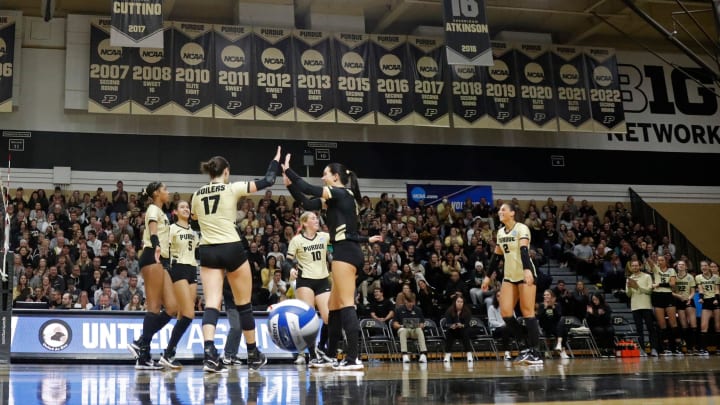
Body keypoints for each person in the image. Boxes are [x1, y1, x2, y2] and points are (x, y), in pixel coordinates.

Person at [282, 155, 381, 371]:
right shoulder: (339, 197)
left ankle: (353, 358)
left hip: (345, 252)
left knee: (346, 304)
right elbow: (308, 202)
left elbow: (309, 187)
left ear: (335, 177)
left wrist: (288, 170)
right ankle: (328, 355)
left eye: (325, 173)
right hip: (347, 250)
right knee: (334, 307)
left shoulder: (341, 193)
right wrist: (290, 187)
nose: (322, 176)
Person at [191, 150, 280, 373]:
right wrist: (275, 160)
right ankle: (253, 353)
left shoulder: (197, 194)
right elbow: (268, 180)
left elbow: (194, 220)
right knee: (244, 304)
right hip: (231, 247)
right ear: (226, 172)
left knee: (212, 302)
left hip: (208, 249)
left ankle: (210, 354)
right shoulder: (232, 187)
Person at [483, 203, 542, 365]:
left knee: (527, 312)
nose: (500, 212)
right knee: (506, 313)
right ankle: (524, 346)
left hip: (524, 275)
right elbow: (496, 257)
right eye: (499, 210)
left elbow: (524, 251)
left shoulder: (522, 228)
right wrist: (488, 276)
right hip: (509, 277)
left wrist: (528, 270)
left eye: (503, 209)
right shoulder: (501, 233)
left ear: (512, 213)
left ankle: (536, 352)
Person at [126, 182, 177, 370]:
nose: (168, 192)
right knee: (154, 307)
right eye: (165, 189)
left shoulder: (162, 212)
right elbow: (153, 231)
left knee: (172, 307)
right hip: (151, 255)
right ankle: (143, 354)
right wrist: (156, 245)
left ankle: (141, 343)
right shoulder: (153, 209)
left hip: (161, 259)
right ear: (156, 193)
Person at [284, 211, 334, 367]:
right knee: (310, 319)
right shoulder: (296, 240)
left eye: (316, 217)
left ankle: (321, 348)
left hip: (322, 280)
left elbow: (335, 249)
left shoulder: (324, 237)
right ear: (304, 223)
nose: (316, 220)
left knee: (329, 318)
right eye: (313, 218)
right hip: (305, 281)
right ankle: (312, 356)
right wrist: (290, 270)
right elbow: (287, 262)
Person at [159, 201, 199, 370]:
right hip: (178, 267)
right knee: (185, 313)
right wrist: (166, 268)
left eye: (188, 207)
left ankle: (169, 352)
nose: (186, 209)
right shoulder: (172, 229)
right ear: (175, 212)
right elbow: (162, 250)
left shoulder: (194, 233)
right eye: (182, 207)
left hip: (192, 269)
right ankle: (167, 352)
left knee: (186, 315)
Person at [650, 255, 680, 355]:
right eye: (658, 260)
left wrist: (658, 284)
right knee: (662, 323)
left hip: (668, 295)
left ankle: (676, 347)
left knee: (673, 322)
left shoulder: (671, 270)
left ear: (666, 261)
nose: (660, 261)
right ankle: (666, 347)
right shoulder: (655, 269)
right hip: (657, 296)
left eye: (662, 260)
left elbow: (672, 284)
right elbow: (649, 260)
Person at [627, 259, 657, 356]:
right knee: (639, 329)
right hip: (635, 306)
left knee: (650, 328)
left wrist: (637, 287)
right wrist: (630, 287)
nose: (635, 267)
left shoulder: (647, 276)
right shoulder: (629, 278)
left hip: (646, 305)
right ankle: (642, 350)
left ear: (640, 266)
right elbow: (628, 294)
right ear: (631, 267)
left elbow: (649, 291)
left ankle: (654, 349)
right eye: (633, 266)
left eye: (636, 265)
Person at [391, 297, 428, 363]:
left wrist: (418, 325)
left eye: (411, 302)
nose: (410, 304)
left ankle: (423, 354)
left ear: (414, 302)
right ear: (405, 302)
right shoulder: (399, 310)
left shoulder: (418, 309)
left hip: (414, 330)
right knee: (403, 330)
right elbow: (395, 324)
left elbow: (422, 324)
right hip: (404, 329)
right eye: (408, 302)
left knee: (419, 330)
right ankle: (404, 354)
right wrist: (402, 326)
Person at [672, 259, 697, 354]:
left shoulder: (690, 277)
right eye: (679, 264)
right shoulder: (674, 277)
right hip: (679, 301)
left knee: (693, 324)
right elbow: (672, 292)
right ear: (677, 266)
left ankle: (694, 346)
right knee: (684, 326)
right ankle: (687, 346)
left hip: (689, 300)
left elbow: (693, 291)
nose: (681, 266)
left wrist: (689, 298)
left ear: (686, 267)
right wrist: (678, 296)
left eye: (683, 264)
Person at [442, 294, 473, 363]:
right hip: (454, 331)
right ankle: (447, 354)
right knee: (449, 332)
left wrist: (462, 325)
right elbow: (448, 323)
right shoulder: (449, 311)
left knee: (465, 331)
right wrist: (452, 326)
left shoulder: (467, 311)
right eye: (458, 301)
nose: (459, 303)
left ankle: (469, 353)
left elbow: (467, 324)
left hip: (464, 330)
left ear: (463, 303)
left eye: (461, 302)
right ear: (455, 302)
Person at [695, 260, 717, 356]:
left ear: (709, 267)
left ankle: (718, 348)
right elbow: (700, 289)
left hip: (715, 300)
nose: (703, 267)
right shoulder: (698, 277)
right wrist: (701, 298)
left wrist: (716, 299)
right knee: (704, 326)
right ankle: (703, 349)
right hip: (706, 301)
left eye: (705, 266)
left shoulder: (716, 277)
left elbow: (717, 289)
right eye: (702, 266)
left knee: (718, 326)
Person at [586, 292, 614, 356]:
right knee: (600, 331)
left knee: (610, 330)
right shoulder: (590, 307)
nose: (594, 301)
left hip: (605, 324)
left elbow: (608, 318)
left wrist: (602, 314)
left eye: (596, 299)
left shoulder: (606, 306)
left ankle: (610, 349)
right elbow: (589, 321)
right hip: (595, 326)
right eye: (593, 300)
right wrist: (592, 314)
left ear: (600, 299)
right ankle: (603, 349)